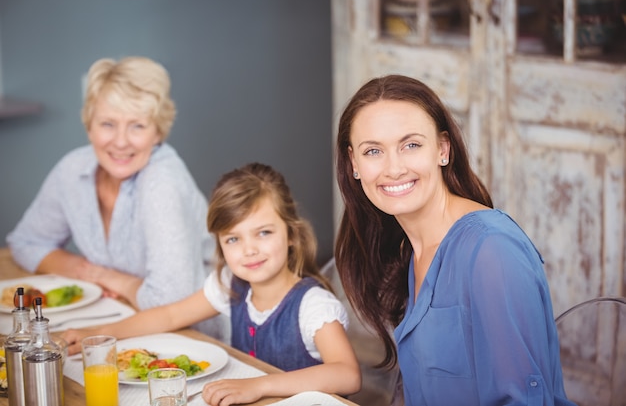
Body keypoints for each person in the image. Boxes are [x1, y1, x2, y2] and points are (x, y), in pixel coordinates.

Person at [334, 75, 576, 406]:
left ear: (443, 150)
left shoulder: (491, 250)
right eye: (373, 151)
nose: (393, 168)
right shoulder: (411, 247)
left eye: (411, 145)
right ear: (354, 164)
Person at [62, 162, 361, 406]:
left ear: (291, 235)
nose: (249, 249)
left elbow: (348, 375)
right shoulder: (230, 284)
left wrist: (259, 386)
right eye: (233, 238)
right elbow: (169, 316)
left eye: (264, 233)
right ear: (220, 246)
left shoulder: (313, 305)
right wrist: (98, 334)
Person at [6, 56, 216, 316]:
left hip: (193, 338)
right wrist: (84, 271)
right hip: (118, 316)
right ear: (89, 126)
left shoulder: (162, 182)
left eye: (137, 126)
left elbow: (170, 303)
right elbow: (25, 242)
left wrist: (112, 279)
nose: (120, 142)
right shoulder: (73, 170)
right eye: (108, 124)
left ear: (158, 132)